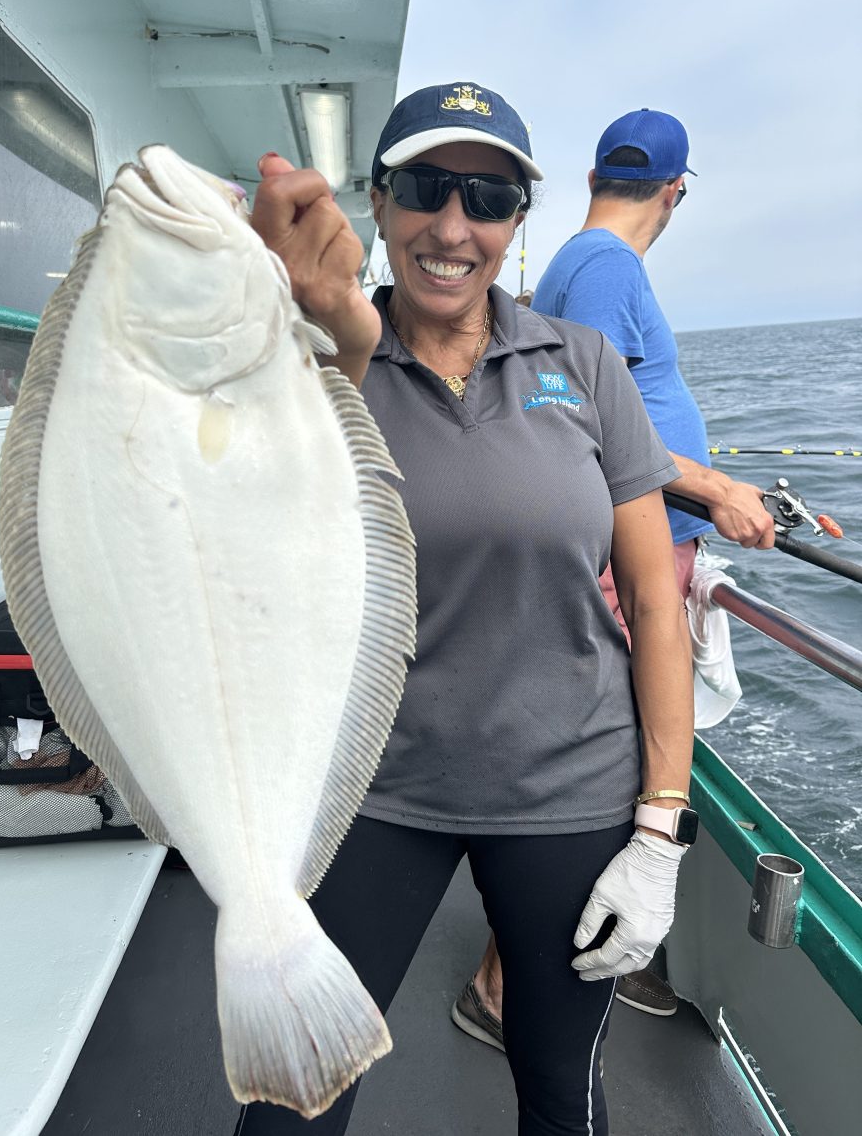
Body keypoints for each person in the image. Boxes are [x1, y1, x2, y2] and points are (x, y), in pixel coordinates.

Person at [240, 82, 696, 1136]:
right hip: (375, 788)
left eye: (487, 199)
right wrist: (338, 337)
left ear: (518, 222)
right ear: (378, 200)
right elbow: (275, 540)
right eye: (426, 189)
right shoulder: (316, 362)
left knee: (560, 1094)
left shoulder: (580, 364)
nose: (453, 226)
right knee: (292, 1099)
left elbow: (650, 603)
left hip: (568, 791)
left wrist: (659, 827)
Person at [453, 108, 775, 1043]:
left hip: (631, 554)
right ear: (675, 192)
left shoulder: (577, 264)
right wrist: (716, 486)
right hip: (621, 564)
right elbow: (595, 420)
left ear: (599, 174)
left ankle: (573, 952)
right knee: (605, 773)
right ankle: (508, 981)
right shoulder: (603, 268)